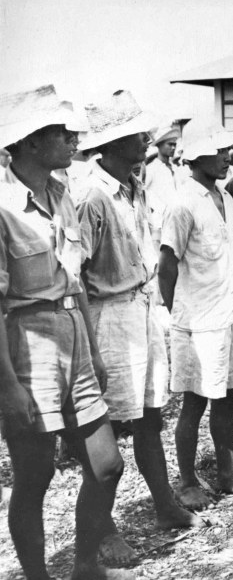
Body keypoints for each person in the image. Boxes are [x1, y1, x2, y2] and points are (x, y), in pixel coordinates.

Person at [0, 85, 133, 580]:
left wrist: (93, 353)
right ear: (32, 142)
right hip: (26, 347)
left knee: (107, 465)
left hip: (75, 338)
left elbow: (75, 284)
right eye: (61, 131)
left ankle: (84, 565)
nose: (73, 138)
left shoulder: (62, 195)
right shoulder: (3, 206)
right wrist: (8, 385)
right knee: (35, 476)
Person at [76, 91, 200, 564]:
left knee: (151, 413)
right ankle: (102, 531)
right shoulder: (92, 197)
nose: (146, 140)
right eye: (135, 135)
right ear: (110, 144)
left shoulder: (134, 186)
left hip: (142, 308)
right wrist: (89, 347)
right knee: (106, 423)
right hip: (109, 316)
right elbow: (77, 275)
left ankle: (164, 502)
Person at [158, 120, 233, 510]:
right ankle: (186, 481)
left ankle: (227, 475)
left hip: (230, 314)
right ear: (196, 158)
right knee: (195, 404)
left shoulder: (226, 199)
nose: (226, 158)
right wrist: (179, 316)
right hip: (198, 323)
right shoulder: (183, 204)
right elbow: (166, 267)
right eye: (218, 152)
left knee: (227, 397)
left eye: (226, 151)